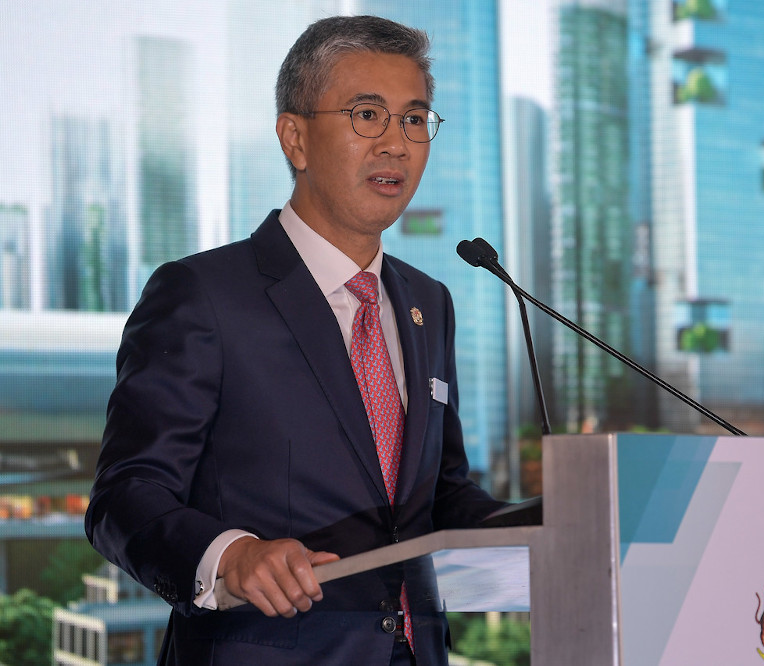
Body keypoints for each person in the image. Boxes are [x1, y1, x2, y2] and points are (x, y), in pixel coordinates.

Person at [85, 15, 506, 666]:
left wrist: (554, 520)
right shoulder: (202, 295)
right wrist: (232, 554)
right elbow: (125, 495)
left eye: (415, 119)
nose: (397, 143)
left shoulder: (430, 303)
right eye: (369, 115)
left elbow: (440, 497)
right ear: (296, 138)